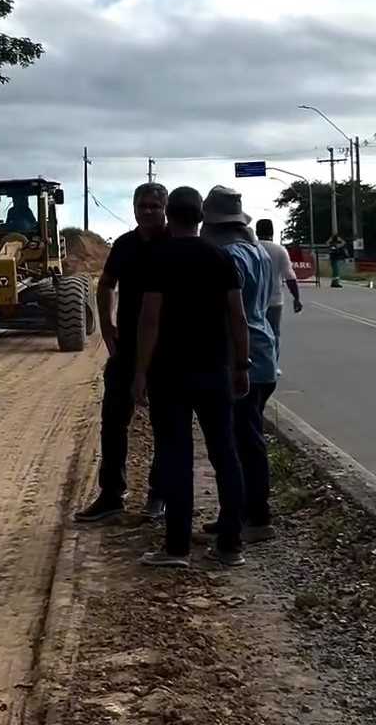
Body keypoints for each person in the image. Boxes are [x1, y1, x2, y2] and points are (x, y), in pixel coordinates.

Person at [134, 187, 249, 567]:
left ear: (169, 216)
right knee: (225, 454)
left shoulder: (159, 258)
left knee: (175, 455)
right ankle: (231, 546)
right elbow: (238, 318)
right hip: (215, 370)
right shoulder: (221, 257)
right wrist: (241, 365)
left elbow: (150, 320)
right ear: (201, 217)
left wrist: (140, 373)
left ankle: (177, 548)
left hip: (169, 374)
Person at [74, 182, 168, 523]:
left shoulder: (175, 244)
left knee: (165, 423)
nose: (148, 211)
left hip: (166, 349)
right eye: (142, 205)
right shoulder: (125, 245)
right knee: (113, 421)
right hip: (127, 346)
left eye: (155, 206)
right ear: (134, 208)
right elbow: (106, 285)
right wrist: (106, 325)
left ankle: (159, 495)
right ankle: (111, 495)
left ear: (165, 209)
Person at [202, 186, 278, 543]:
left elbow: (228, 314)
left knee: (243, 442)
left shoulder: (228, 257)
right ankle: (237, 512)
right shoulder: (258, 251)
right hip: (263, 351)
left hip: (241, 356)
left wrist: (235, 364)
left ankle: (256, 518)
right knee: (246, 437)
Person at [255, 218, 303, 365]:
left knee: (255, 333)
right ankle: (273, 364)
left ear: (256, 232)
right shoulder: (279, 250)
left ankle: (255, 363)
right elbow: (290, 277)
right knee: (274, 332)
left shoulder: (251, 248)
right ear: (273, 232)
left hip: (254, 300)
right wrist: (296, 298)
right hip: (275, 300)